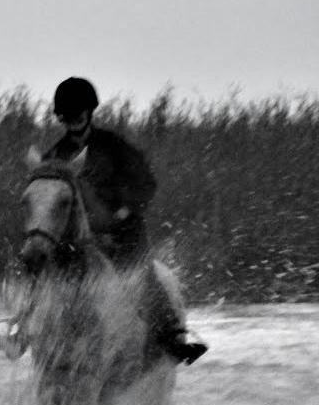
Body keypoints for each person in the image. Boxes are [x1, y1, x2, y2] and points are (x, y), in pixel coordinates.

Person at [43, 77, 206, 364]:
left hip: (120, 233)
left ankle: (173, 335)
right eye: (66, 117)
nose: (72, 121)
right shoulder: (55, 156)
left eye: (77, 115)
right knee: (44, 270)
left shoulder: (114, 146)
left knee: (142, 276)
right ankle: (22, 331)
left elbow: (146, 183)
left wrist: (124, 210)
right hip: (77, 240)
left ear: (89, 113)